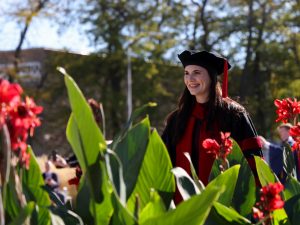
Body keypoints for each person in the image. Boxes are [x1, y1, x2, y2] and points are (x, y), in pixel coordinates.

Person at [161, 50, 263, 203]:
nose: (190, 79)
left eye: (197, 72)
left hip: (224, 204)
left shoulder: (234, 115)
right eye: (186, 73)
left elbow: (253, 161)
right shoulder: (177, 119)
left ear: (211, 76)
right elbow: (164, 162)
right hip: (184, 207)